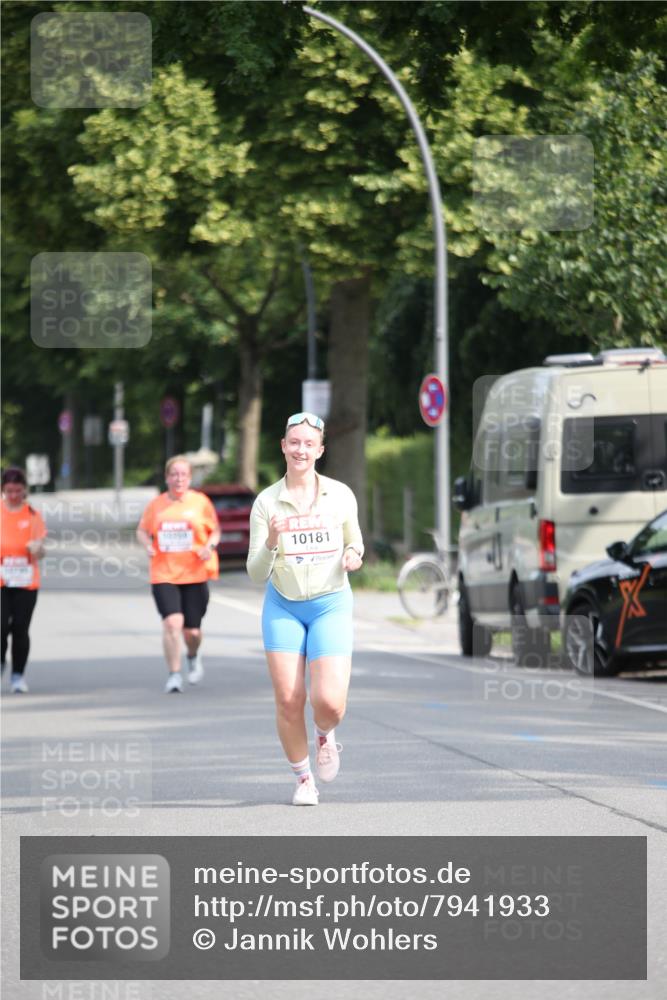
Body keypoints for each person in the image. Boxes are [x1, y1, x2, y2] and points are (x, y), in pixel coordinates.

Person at [246, 412, 364, 806]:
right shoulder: (266, 502)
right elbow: (255, 572)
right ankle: (303, 780)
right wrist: (272, 541)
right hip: (284, 606)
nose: (301, 450)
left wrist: (353, 554)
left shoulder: (341, 494)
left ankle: (325, 734)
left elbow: (356, 543)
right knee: (289, 699)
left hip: (330, 603)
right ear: (283, 446)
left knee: (329, 703)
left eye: (308, 444)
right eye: (294, 442)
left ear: (320, 450)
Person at [137, 455, 220, 693]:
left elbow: (215, 531)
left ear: (190, 478)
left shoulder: (201, 502)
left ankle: (193, 655)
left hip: (194, 573)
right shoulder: (156, 505)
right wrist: (147, 544)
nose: (179, 479)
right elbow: (142, 531)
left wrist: (209, 547)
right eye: (174, 474)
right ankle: (174, 674)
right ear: (167, 478)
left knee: (192, 631)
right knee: (172, 623)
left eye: (183, 474)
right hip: (164, 573)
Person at [1, 467, 47, 693]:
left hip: (26, 581)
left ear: (25, 490)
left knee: (20, 628)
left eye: (18, 491)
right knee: (0, 627)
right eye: (9, 491)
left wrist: (36, 548)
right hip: (1, 581)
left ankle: (18, 675)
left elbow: (41, 549)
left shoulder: (32, 515)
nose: (13, 496)